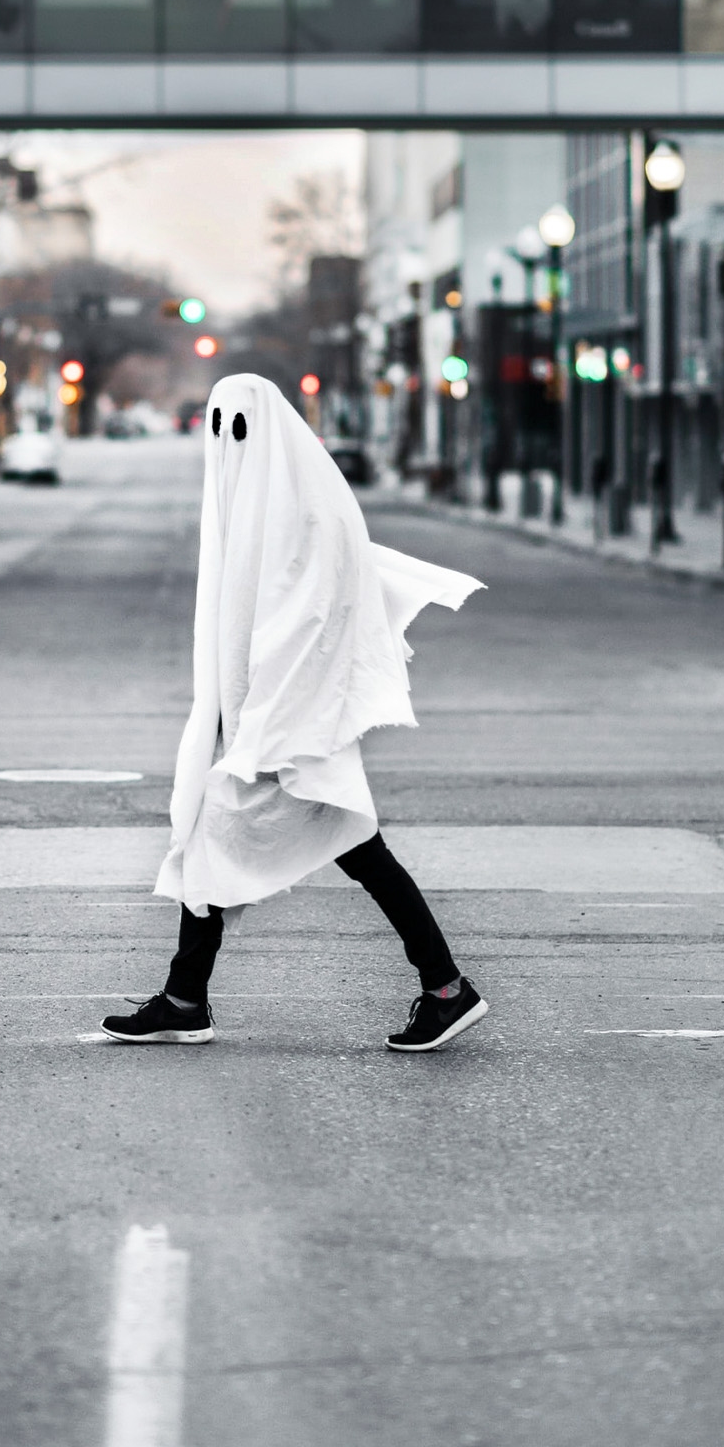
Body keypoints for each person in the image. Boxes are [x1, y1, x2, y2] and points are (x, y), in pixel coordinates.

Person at [101, 371, 487, 1054]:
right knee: (233, 843)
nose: (229, 443)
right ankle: (189, 999)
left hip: (292, 726)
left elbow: (314, 617)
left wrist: (269, 728)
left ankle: (445, 988)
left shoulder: (306, 508)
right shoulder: (262, 504)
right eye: (218, 429)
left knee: (287, 842)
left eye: (240, 428)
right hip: (262, 722)